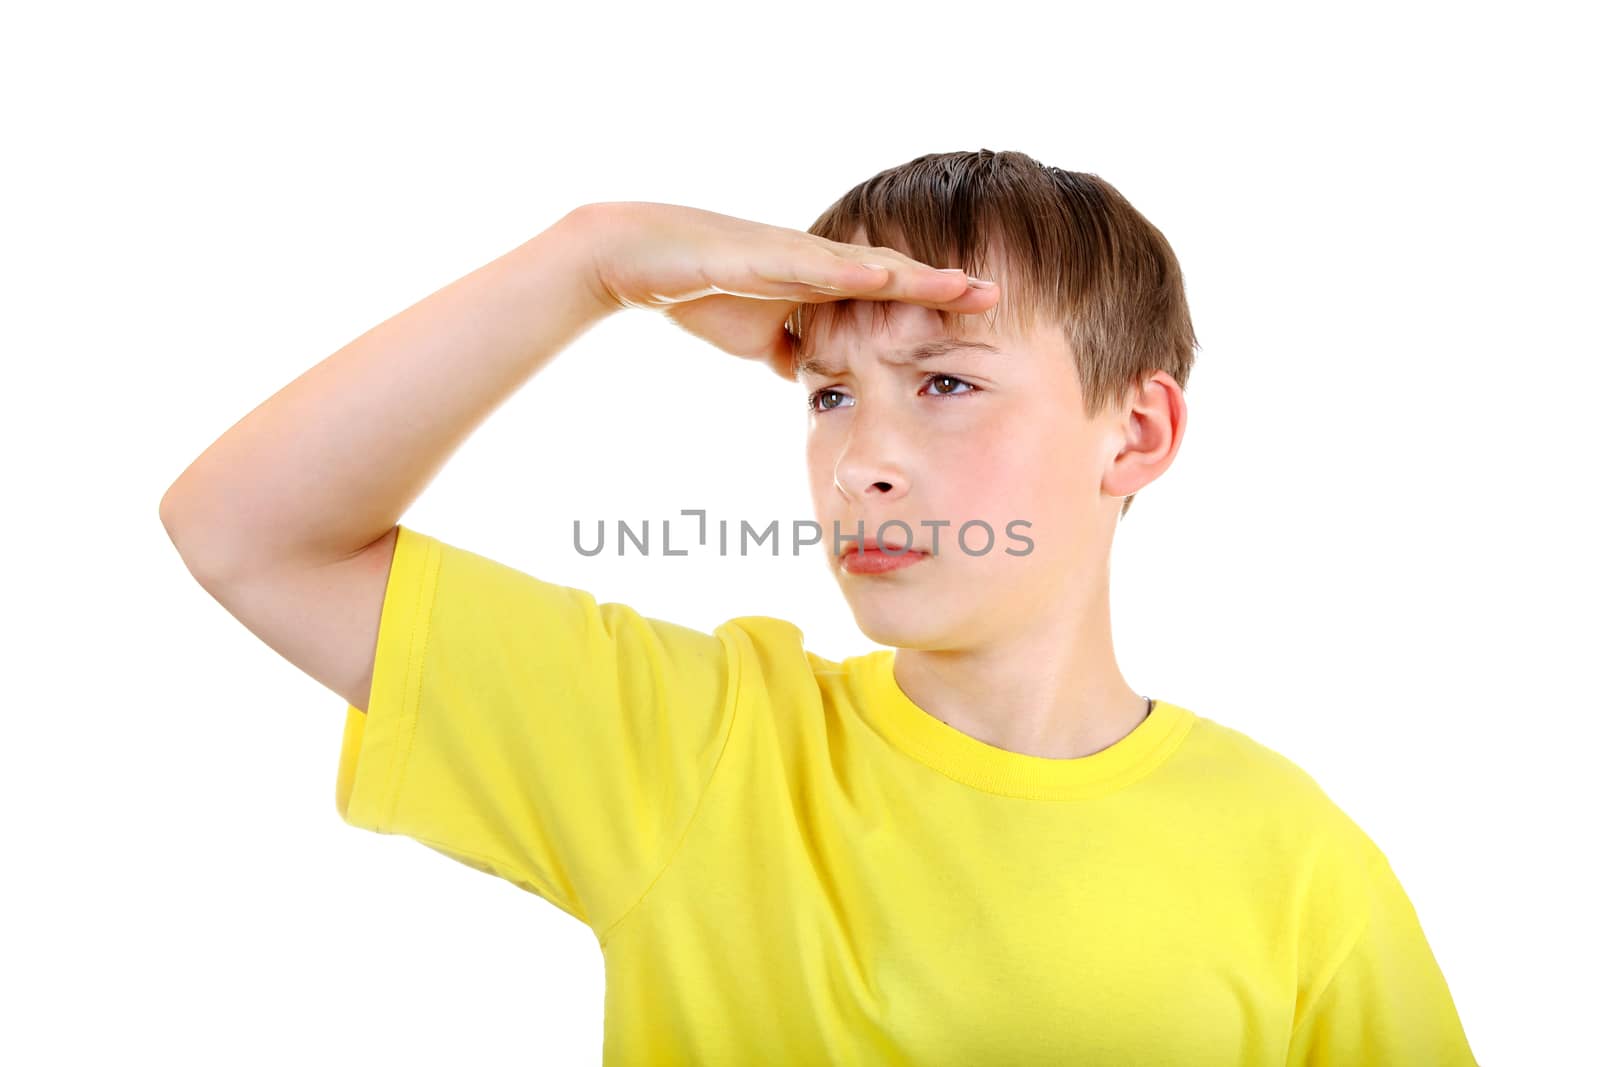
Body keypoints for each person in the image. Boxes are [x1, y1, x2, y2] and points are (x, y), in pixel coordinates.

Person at [159, 149, 1478, 1064]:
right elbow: (248, 533)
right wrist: (591, 261)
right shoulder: (707, 747)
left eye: (946, 382)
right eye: (830, 394)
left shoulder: (1295, 856)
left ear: (1133, 435)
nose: (862, 460)